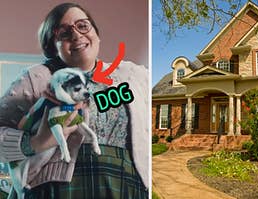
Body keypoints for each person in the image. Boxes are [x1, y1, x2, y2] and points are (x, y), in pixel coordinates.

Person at [0, 2, 149, 199]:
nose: (77, 35)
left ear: (96, 34)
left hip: (127, 186)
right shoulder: (35, 79)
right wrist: (37, 142)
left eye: (83, 25)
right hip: (55, 190)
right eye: (64, 33)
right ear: (52, 46)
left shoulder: (134, 75)